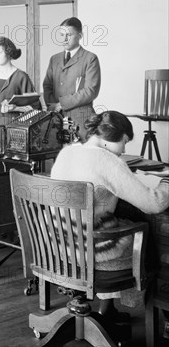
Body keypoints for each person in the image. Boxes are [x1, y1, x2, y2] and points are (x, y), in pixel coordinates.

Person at [51, 110, 169, 320]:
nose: (124, 149)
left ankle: (108, 310)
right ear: (110, 138)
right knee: (145, 236)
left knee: (118, 218)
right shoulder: (109, 162)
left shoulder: (67, 152)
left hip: (61, 244)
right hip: (93, 249)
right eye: (124, 142)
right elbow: (154, 203)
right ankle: (157, 311)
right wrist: (166, 182)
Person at [43, 17, 101, 141]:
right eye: (61, 34)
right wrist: (53, 105)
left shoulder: (90, 58)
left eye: (69, 35)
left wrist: (61, 104)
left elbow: (90, 91)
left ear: (80, 35)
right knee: (58, 157)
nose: (64, 39)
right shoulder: (54, 59)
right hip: (56, 119)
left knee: (81, 157)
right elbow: (47, 85)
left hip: (81, 120)